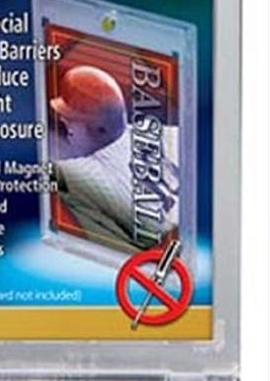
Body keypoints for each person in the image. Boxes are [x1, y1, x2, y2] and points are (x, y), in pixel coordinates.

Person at [49, 65, 178, 249]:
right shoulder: (170, 134)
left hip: (167, 256)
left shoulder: (82, 173)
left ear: (100, 128)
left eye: (70, 120)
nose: (65, 124)